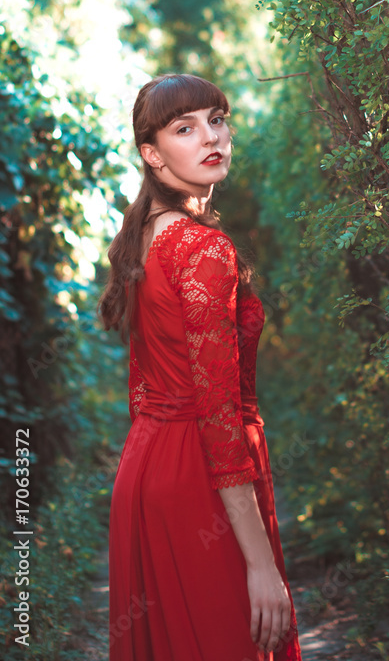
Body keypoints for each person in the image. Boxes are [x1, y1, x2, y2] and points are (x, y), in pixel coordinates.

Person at [99, 73, 301, 661]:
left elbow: (145, 386)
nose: (211, 136)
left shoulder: (141, 239)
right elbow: (216, 416)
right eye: (184, 128)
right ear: (153, 154)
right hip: (198, 485)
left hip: (143, 475)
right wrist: (261, 566)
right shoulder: (203, 249)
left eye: (217, 119)